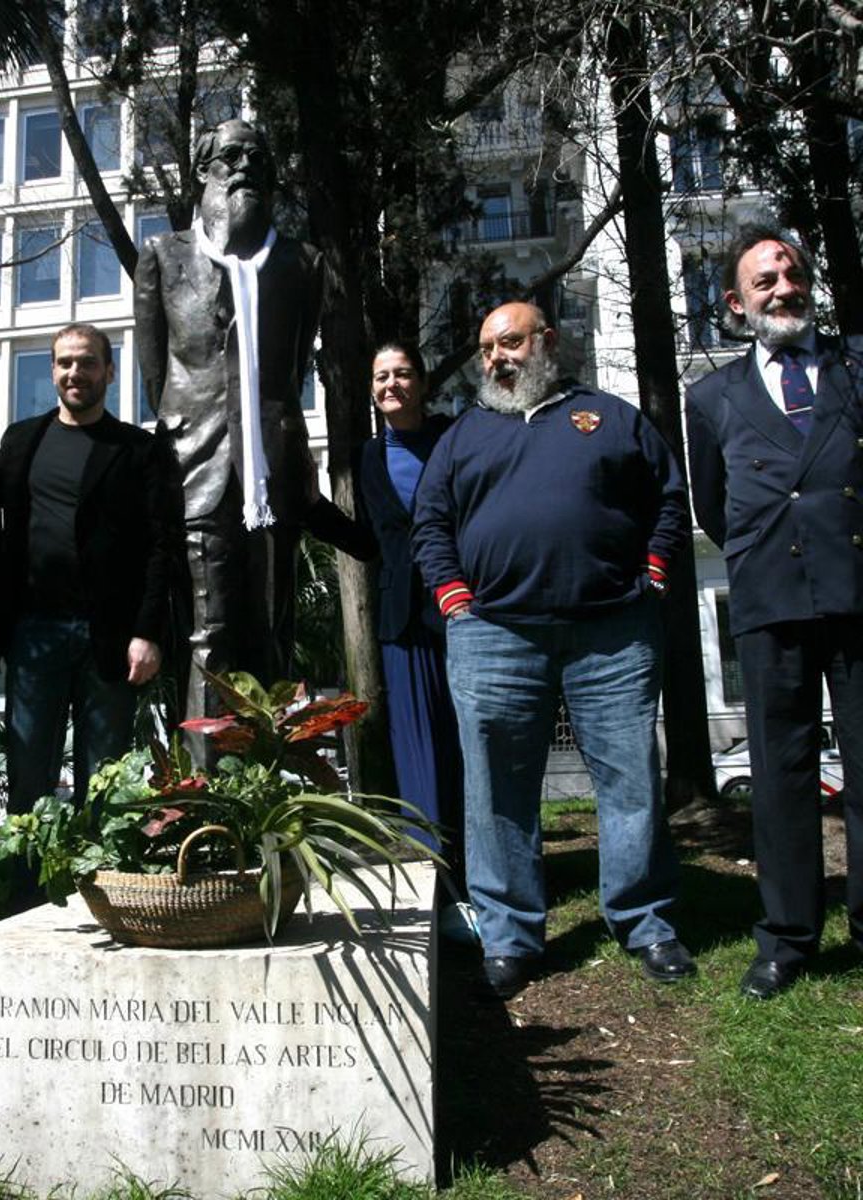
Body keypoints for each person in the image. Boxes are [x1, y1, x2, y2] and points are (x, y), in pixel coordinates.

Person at [412, 301, 696, 998]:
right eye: (486, 348)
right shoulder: (463, 435)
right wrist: (452, 596)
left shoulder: (610, 417)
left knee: (630, 781)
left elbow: (668, 498)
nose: (496, 358)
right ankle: (509, 935)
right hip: (494, 636)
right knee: (496, 792)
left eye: (509, 342)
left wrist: (655, 571)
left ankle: (646, 921)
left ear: (546, 341)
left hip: (612, 632)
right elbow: (431, 523)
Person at [686, 223, 863, 999]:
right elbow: (714, 506)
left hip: (856, 590)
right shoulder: (710, 397)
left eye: (792, 275)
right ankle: (788, 938)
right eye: (765, 280)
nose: (784, 289)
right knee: (780, 773)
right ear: (736, 302)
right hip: (769, 601)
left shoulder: (856, 367)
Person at [134, 118, 325, 718]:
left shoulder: (301, 263)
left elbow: (292, 369)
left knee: (273, 631)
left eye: (258, 158)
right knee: (208, 634)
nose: (246, 168)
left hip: (271, 470)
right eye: (232, 156)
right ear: (202, 170)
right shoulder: (162, 256)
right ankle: (203, 774)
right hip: (197, 466)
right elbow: (156, 377)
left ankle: (273, 770)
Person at [0, 323, 171, 908]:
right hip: (34, 634)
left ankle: (106, 898)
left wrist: (147, 632)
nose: (76, 372)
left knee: (106, 777)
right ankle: (28, 901)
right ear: (52, 370)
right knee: (28, 774)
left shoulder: (138, 450)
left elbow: (161, 547)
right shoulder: (22, 441)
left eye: (88, 362)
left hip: (109, 639)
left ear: (108, 372)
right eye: (65, 362)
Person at [356, 342, 466, 893]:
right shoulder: (369, 456)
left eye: (401, 374)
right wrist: (310, 507)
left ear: (422, 383)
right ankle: (437, 883)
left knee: (470, 743)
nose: (391, 385)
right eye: (381, 377)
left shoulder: (456, 439)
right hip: (401, 618)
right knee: (418, 751)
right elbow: (371, 542)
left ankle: (486, 872)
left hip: (463, 608)